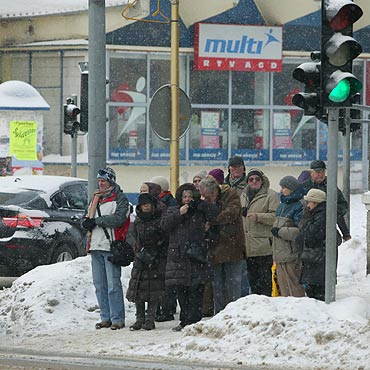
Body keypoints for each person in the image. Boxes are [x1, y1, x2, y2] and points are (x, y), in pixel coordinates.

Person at [161, 183, 219, 331]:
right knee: (182, 290)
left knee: (196, 290)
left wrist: (199, 204)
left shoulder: (199, 210)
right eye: (184, 196)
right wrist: (179, 213)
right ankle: (184, 319)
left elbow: (214, 213)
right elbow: (165, 225)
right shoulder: (174, 210)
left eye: (190, 197)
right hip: (179, 257)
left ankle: (194, 319)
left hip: (196, 256)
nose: (187, 199)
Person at [82, 167, 129, 330]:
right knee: (100, 285)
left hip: (111, 246)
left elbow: (119, 219)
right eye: (99, 181)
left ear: (111, 181)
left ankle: (117, 318)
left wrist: (97, 221)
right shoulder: (95, 198)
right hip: (95, 246)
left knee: (112, 285)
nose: (100, 184)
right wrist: (85, 222)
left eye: (103, 181)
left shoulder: (120, 198)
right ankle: (105, 317)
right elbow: (87, 216)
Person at [199, 176, 245, 314]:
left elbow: (231, 213)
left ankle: (233, 313)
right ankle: (219, 313)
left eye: (208, 197)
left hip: (232, 245)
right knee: (217, 285)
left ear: (214, 192)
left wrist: (212, 220)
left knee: (233, 284)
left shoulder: (231, 194)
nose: (206, 200)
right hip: (214, 247)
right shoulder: (205, 201)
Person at [126, 193, 166, 330]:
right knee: (138, 290)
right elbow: (134, 238)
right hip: (140, 259)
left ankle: (150, 319)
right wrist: (138, 252)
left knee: (153, 292)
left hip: (155, 259)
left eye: (148, 204)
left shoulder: (159, 219)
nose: (146, 206)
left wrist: (155, 253)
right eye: (143, 204)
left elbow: (164, 239)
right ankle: (139, 318)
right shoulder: (138, 221)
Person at [240, 168, 279, 296]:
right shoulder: (244, 195)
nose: (254, 181)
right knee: (253, 282)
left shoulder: (271, 195)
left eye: (257, 179)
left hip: (263, 247)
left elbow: (275, 218)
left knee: (265, 282)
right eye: (251, 179)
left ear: (262, 181)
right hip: (248, 247)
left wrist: (259, 217)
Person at [149, 176, 178, 322]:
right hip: (163, 246)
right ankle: (164, 308)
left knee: (166, 281)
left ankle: (167, 309)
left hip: (165, 247)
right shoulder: (166, 202)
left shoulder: (167, 204)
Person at [271, 176, 305, 297]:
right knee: (284, 289)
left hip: (291, 254)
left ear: (292, 189)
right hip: (280, 253)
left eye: (284, 187)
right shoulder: (282, 204)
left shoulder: (299, 205)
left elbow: (300, 231)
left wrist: (280, 232)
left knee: (294, 288)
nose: (281, 190)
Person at [301, 160, 351, 242]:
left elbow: (343, 205)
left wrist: (331, 212)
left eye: (322, 171)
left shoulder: (331, 186)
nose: (320, 174)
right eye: (317, 172)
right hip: (309, 228)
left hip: (328, 229)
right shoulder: (304, 186)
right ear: (311, 173)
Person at [224, 156, 251, 297]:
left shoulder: (249, 185)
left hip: (243, 230)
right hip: (226, 231)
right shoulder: (224, 186)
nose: (235, 170)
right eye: (233, 167)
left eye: (238, 167)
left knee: (243, 270)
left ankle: (243, 297)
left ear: (243, 168)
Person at [297, 189, 329, 301]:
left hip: (316, 258)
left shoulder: (320, 216)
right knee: (313, 290)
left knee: (316, 292)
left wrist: (306, 219)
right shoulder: (317, 214)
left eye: (309, 202)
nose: (307, 205)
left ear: (315, 203)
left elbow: (310, 235)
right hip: (315, 258)